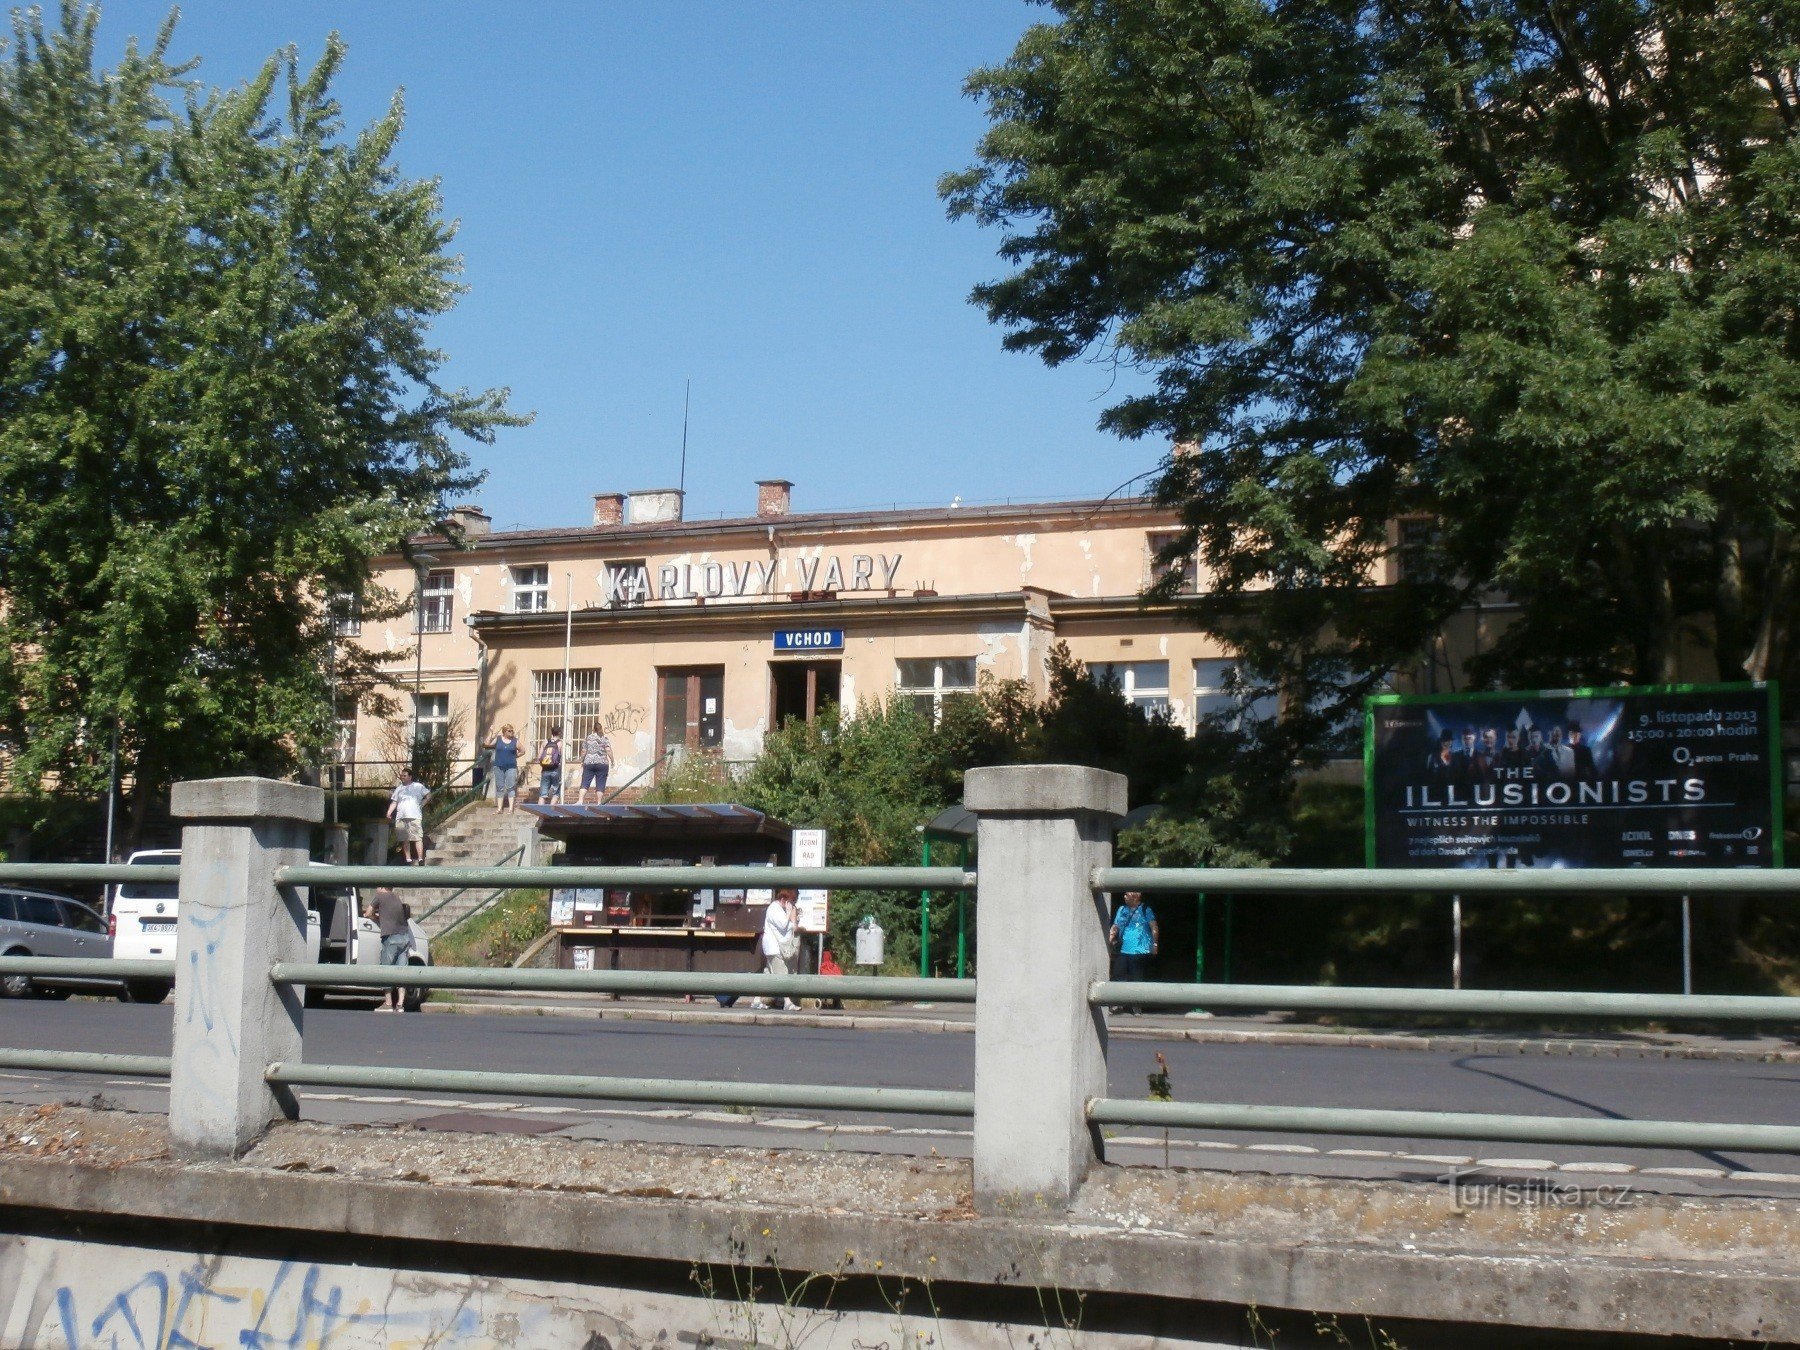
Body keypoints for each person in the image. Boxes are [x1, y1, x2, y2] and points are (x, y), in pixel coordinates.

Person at [1107, 890, 1159, 1014]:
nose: (1124, 896)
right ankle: (1118, 1003)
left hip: (1139, 950)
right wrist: (1111, 938)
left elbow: (1154, 927)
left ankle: (1136, 1006)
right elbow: (1116, 926)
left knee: (1137, 978)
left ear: (1135, 896)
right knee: (1118, 975)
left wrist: (1155, 943)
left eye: (1127, 894)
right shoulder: (1121, 909)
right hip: (1123, 949)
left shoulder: (1145, 909)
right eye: (1124, 894)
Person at [364, 885, 414, 1012]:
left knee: (386, 969)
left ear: (381, 887)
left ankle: (388, 1003)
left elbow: (368, 913)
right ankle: (400, 1004)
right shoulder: (396, 897)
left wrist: (375, 918)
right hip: (404, 937)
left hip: (391, 937)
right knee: (401, 970)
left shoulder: (380, 896)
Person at [753, 889, 801, 1011]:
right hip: (773, 947)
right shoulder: (774, 909)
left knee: (768, 975)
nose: (791, 904)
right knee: (782, 973)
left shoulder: (778, 909)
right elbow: (783, 925)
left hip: (772, 947)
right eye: (790, 901)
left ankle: (756, 1000)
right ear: (784, 899)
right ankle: (787, 1002)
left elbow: (786, 926)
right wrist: (790, 914)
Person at [387, 768, 430, 864]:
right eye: (402, 776)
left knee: (417, 838)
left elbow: (428, 795)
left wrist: (422, 804)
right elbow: (394, 802)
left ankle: (420, 859)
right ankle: (408, 859)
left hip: (415, 816)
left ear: (410, 777)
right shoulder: (399, 789)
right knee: (404, 838)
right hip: (401, 817)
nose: (403, 778)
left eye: (405, 776)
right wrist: (389, 812)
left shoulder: (418, 786)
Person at [488, 724, 521, 814]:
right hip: (499, 766)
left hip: (511, 767)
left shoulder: (515, 741)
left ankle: (511, 808)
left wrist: (514, 756)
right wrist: (491, 732)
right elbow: (487, 744)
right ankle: (499, 808)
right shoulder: (498, 739)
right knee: (500, 787)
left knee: (511, 787)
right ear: (504, 731)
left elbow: (523, 750)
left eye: (512, 730)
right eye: (509, 731)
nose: (511, 732)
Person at [578, 727, 613, 804]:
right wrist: (612, 761)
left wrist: (582, 760)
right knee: (601, 782)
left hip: (589, 763)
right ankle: (599, 802)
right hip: (602, 763)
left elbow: (584, 751)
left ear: (593, 729)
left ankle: (580, 801)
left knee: (585, 782)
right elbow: (608, 750)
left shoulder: (588, 738)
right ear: (601, 729)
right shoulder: (604, 738)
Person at [536, 725, 564, 805]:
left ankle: (540, 815)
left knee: (543, 794)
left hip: (545, 770)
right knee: (556, 793)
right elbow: (561, 757)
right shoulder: (560, 743)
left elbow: (539, 757)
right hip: (555, 770)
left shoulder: (545, 742)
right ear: (559, 733)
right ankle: (551, 812)